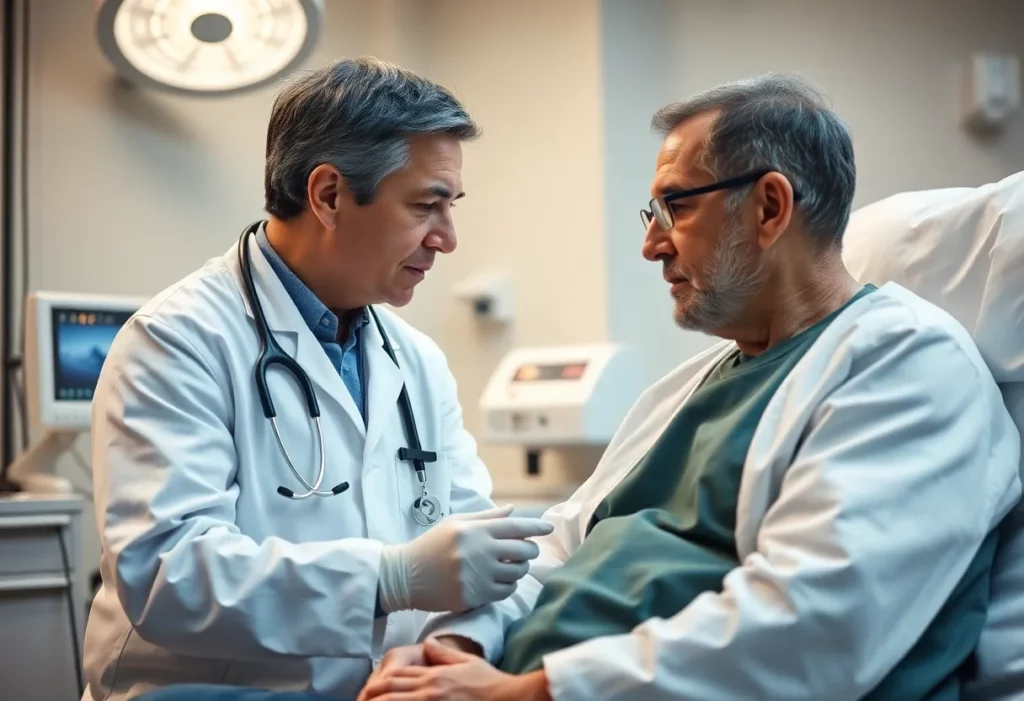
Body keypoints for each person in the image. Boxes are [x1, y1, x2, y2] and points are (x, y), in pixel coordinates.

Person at [354, 75, 1023, 701]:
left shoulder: (906, 365)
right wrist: (454, 646)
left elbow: (814, 626)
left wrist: (527, 690)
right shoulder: (699, 381)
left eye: (674, 207)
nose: (652, 244)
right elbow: (560, 543)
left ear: (769, 207)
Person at [82, 57, 553, 701]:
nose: (446, 238)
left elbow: (483, 554)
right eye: (426, 206)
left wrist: (448, 649)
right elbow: (167, 576)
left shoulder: (415, 360)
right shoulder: (178, 338)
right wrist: (389, 579)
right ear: (328, 195)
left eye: (451, 207)